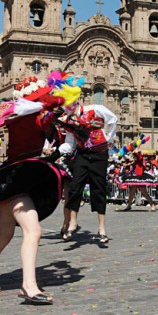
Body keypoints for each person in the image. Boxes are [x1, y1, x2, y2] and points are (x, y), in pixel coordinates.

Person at [0, 75, 77, 305]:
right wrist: (64, 107)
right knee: (33, 231)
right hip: (18, 180)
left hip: (9, 177)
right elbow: (50, 121)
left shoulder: (15, 117)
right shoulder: (37, 118)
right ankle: (29, 286)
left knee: (2, 236)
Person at [60, 103, 117, 243]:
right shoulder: (70, 121)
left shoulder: (95, 109)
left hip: (99, 155)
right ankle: (73, 223)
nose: (66, 110)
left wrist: (107, 138)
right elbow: (69, 143)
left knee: (98, 188)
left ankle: (101, 228)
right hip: (82, 154)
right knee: (75, 187)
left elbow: (113, 119)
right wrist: (56, 152)